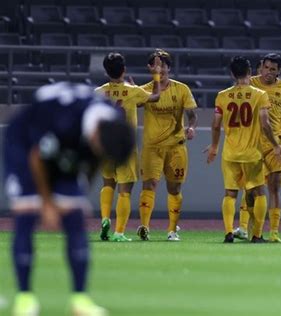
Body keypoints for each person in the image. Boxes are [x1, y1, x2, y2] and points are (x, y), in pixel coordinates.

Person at [4, 82, 135, 316]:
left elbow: (97, 158)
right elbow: (37, 156)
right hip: (25, 146)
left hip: (68, 147)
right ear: (94, 136)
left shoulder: (112, 124)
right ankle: (25, 299)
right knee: (27, 211)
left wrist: (80, 192)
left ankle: (80, 301)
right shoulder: (65, 121)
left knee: (75, 217)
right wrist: (47, 205)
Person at [206, 55, 281, 243]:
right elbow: (265, 125)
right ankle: (257, 235)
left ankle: (228, 233)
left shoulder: (222, 96)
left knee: (230, 193)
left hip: (230, 153)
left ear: (232, 74)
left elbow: (216, 125)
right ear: (250, 72)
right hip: (252, 154)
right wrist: (276, 146)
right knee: (259, 193)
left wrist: (214, 146)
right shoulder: (260, 95)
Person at [95, 52, 161, 242]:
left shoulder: (98, 92)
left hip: (105, 144)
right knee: (125, 190)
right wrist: (155, 75)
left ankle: (105, 219)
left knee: (108, 183)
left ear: (106, 71)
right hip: (125, 146)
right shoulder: (133, 91)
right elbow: (156, 97)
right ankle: (119, 232)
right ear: (124, 70)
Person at [238, 53, 281, 243]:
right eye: (266, 68)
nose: (269, 72)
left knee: (274, 188)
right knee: (250, 189)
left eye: (273, 69)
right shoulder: (250, 84)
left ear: (279, 71)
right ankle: (248, 229)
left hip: (276, 145)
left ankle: (274, 231)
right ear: (260, 68)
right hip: (252, 143)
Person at [137, 49, 197, 241]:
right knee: (150, 184)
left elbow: (192, 114)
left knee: (174, 189)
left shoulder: (182, 89)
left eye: (162, 65)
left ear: (169, 68)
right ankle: (144, 226)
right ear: (150, 68)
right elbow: (133, 103)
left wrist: (191, 127)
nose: (159, 69)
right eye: (155, 65)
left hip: (176, 146)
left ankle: (172, 230)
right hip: (152, 147)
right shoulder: (145, 90)